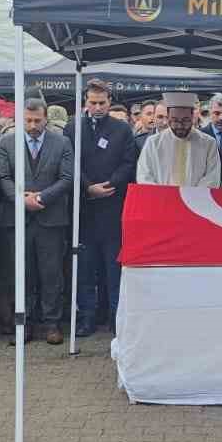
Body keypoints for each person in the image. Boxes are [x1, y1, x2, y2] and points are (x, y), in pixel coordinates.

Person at [0, 98, 74, 343]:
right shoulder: (6, 143)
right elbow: (2, 177)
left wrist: (42, 197)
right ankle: (25, 322)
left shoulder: (61, 142)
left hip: (50, 219)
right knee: (22, 273)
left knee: (51, 274)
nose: (32, 125)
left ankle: (51, 323)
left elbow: (67, 177)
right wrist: (20, 199)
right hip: (18, 219)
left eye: (37, 121)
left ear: (46, 119)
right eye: (27, 121)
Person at [75, 80, 138, 338]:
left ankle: (116, 319)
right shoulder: (73, 128)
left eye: (102, 103)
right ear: (85, 103)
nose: (98, 107)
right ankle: (87, 318)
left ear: (109, 101)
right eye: (93, 103)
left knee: (114, 270)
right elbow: (70, 164)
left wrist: (110, 184)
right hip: (85, 210)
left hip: (113, 208)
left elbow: (129, 163)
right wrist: (88, 187)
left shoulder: (122, 129)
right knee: (86, 270)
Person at [137, 93, 221, 187]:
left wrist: (189, 197)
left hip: (195, 200)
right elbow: (144, 176)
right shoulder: (153, 143)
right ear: (168, 118)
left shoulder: (208, 143)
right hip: (161, 199)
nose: (180, 126)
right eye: (175, 120)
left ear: (193, 117)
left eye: (185, 120)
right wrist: (164, 195)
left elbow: (212, 178)